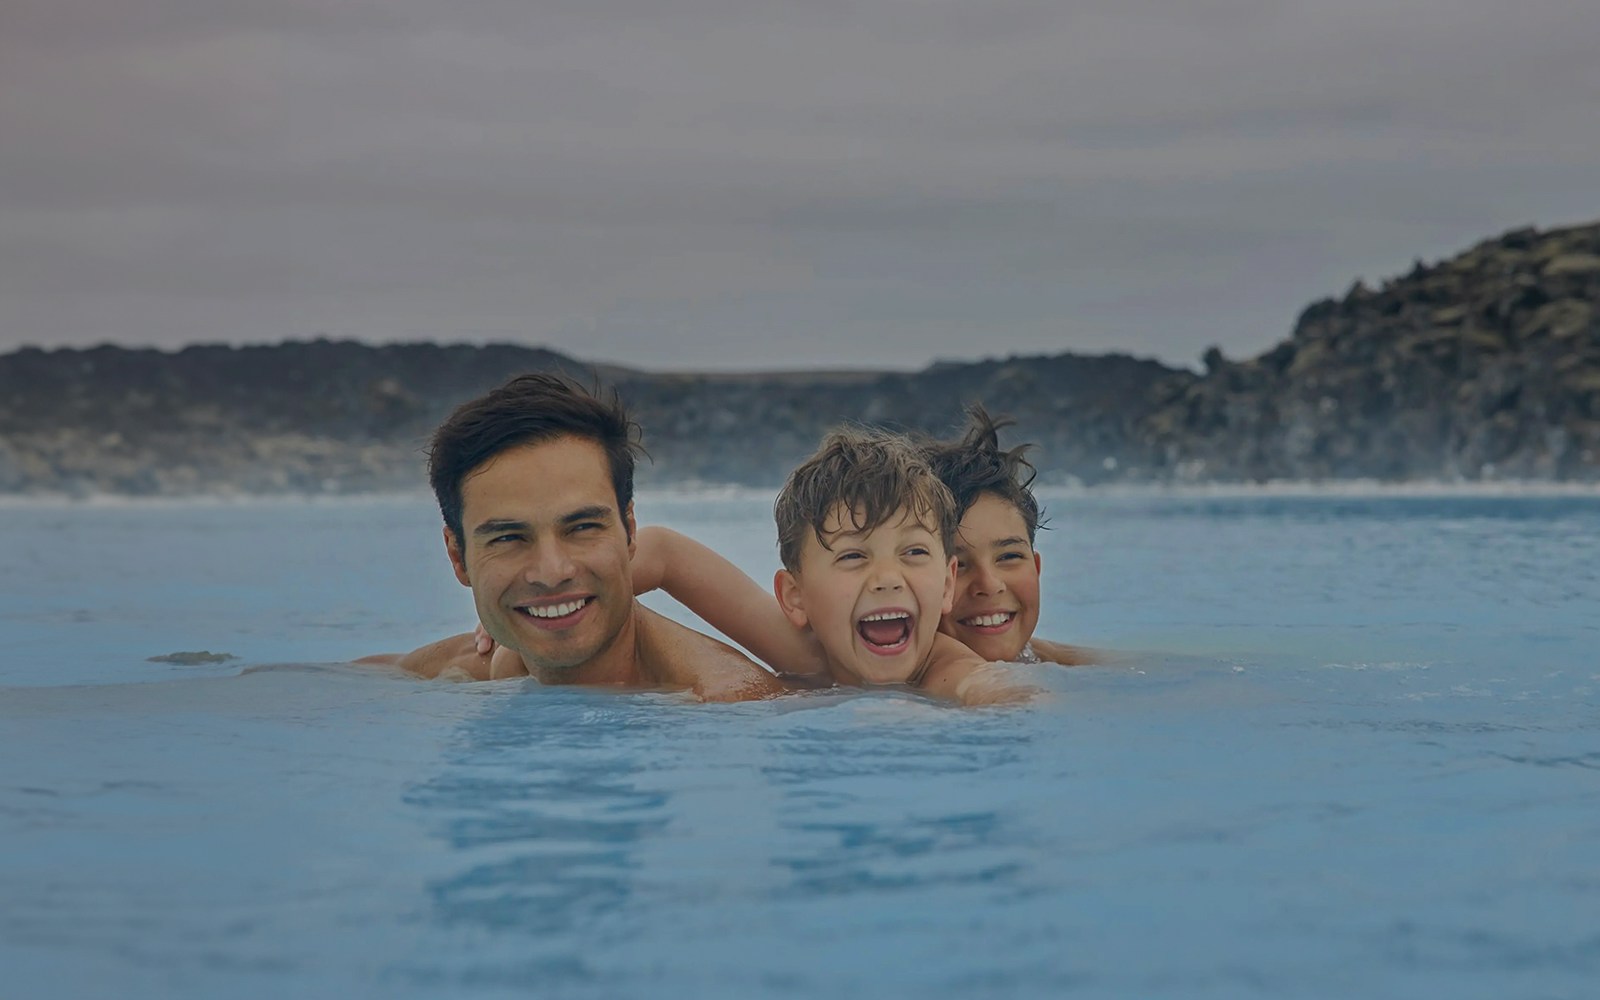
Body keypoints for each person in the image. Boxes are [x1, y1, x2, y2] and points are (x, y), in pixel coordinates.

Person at [360, 373, 788, 703]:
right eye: (509, 538)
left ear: (630, 531)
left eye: (582, 528)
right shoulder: (468, 669)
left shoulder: (725, 704)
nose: (552, 573)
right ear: (459, 557)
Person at [624, 427, 1038, 705]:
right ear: (795, 597)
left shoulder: (948, 670)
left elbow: (989, 687)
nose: (888, 579)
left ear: (945, 584)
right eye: (853, 556)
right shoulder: (807, 648)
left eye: (913, 553)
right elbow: (664, 554)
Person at [919, 405, 1101, 666]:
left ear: (1036, 567)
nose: (990, 585)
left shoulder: (1060, 661)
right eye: (958, 566)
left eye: (1009, 556)